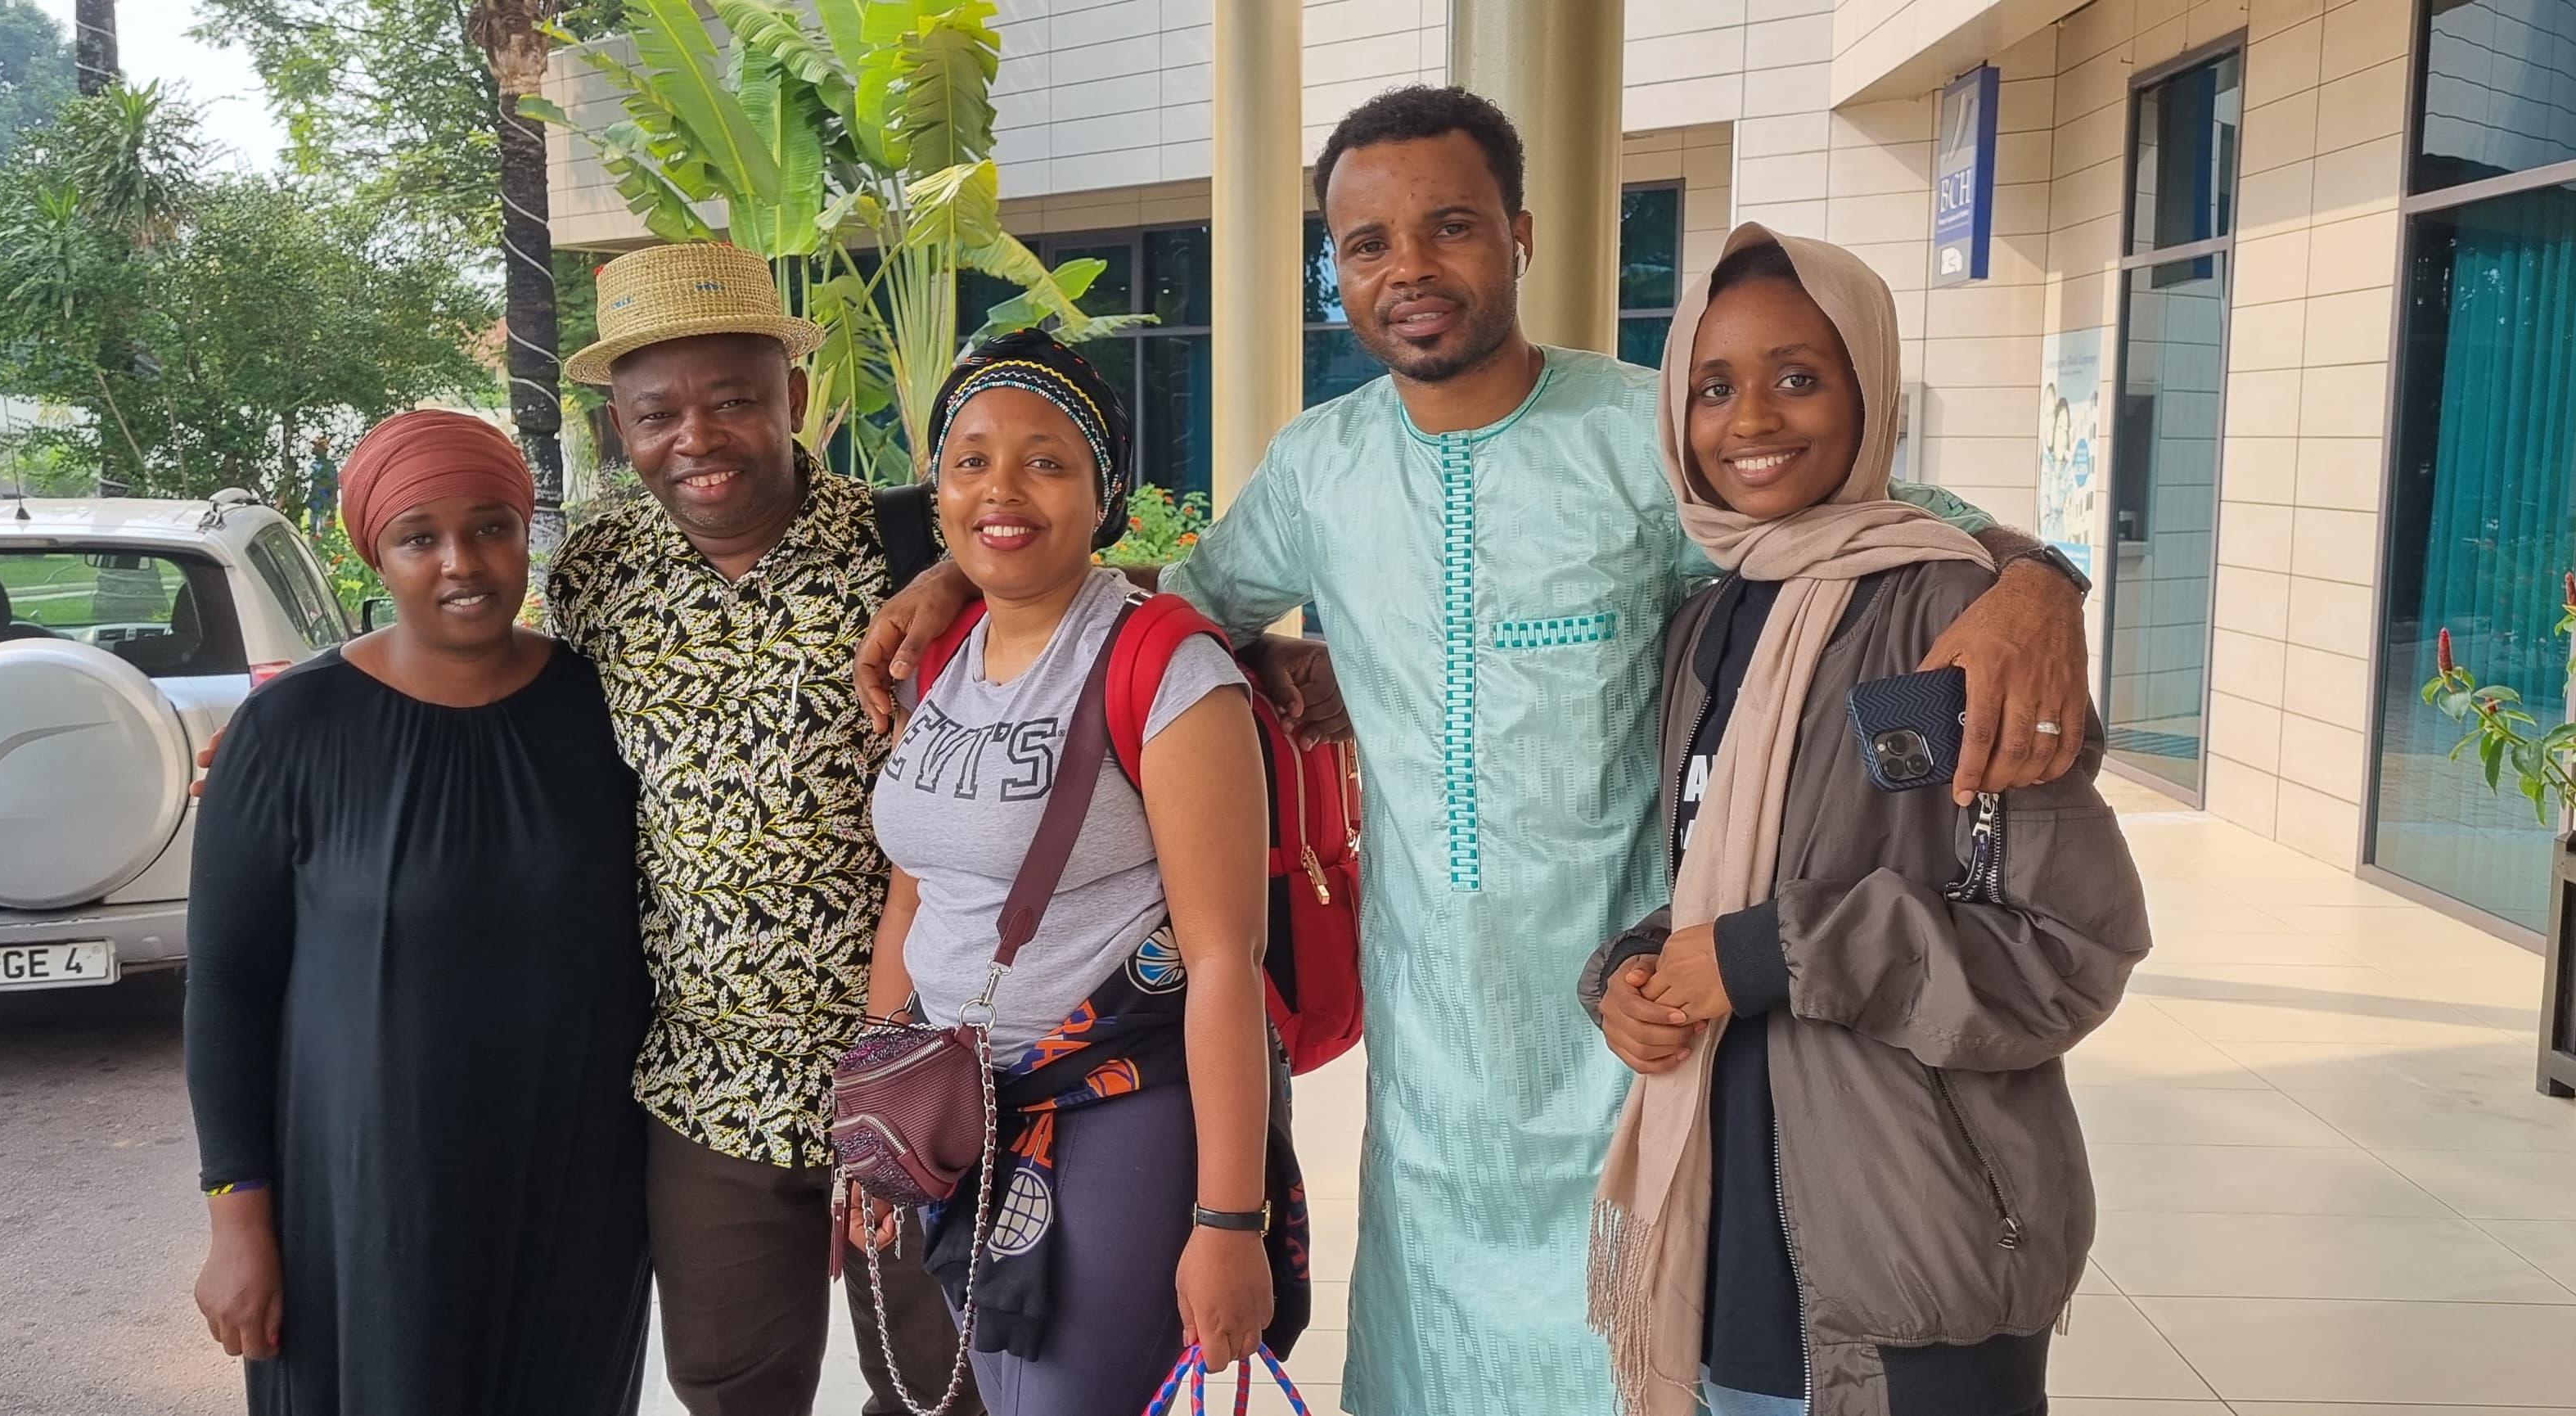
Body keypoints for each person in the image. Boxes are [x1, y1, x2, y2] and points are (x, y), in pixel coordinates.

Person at [858, 86, 2096, 1414]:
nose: (1410, 269)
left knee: (1636, 1357)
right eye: (1370, 243)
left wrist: (2034, 578)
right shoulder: (1323, 468)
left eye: (1448, 227)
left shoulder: (1640, 431)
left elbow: (1867, 517)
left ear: (1517, 233)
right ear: (1337, 268)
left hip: (1633, 1030)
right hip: (1435, 1056)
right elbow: (1173, 607)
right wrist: (958, 583)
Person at [1580, 228, 2149, 1416]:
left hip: (1910, 1220)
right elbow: (1734, 873)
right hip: (1731, 1224)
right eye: (1713, 387)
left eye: (1800, 376)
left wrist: (1763, 954)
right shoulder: (1706, 626)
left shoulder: (1953, 618)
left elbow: (2061, 947)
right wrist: (1637, 970)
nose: (1751, 421)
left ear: (1870, 389)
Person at [545, 242, 980, 1416]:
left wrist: (1264, 642)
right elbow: (506, 711)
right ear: (621, 429)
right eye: (656, 414)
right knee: (731, 1384)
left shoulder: (917, 544)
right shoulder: (595, 570)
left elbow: (1095, 603)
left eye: (732, 399)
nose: (694, 438)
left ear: (791, 398)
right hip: (709, 1075)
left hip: (922, 1052)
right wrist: (316, 716)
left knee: (941, 1387)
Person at [851, 330, 1312, 1414]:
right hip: (965, 1111)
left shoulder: (1169, 666)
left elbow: (1223, 962)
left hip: (1121, 1109)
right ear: (937, 488)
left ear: (1104, 492)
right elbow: (914, 890)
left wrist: (1228, 1220)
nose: (1000, 490)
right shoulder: (944, 650)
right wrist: (878, 1116)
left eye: (1046, 460)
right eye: (969, 460)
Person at [185, 409, 652, 1416]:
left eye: (492, 526)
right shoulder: (291, 728)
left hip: (575, 1197)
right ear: (375, 554)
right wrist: (238, 1218)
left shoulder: (601, 706)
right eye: (419, 537)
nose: (462, 562)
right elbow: (227, 984)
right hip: (361, 1210)